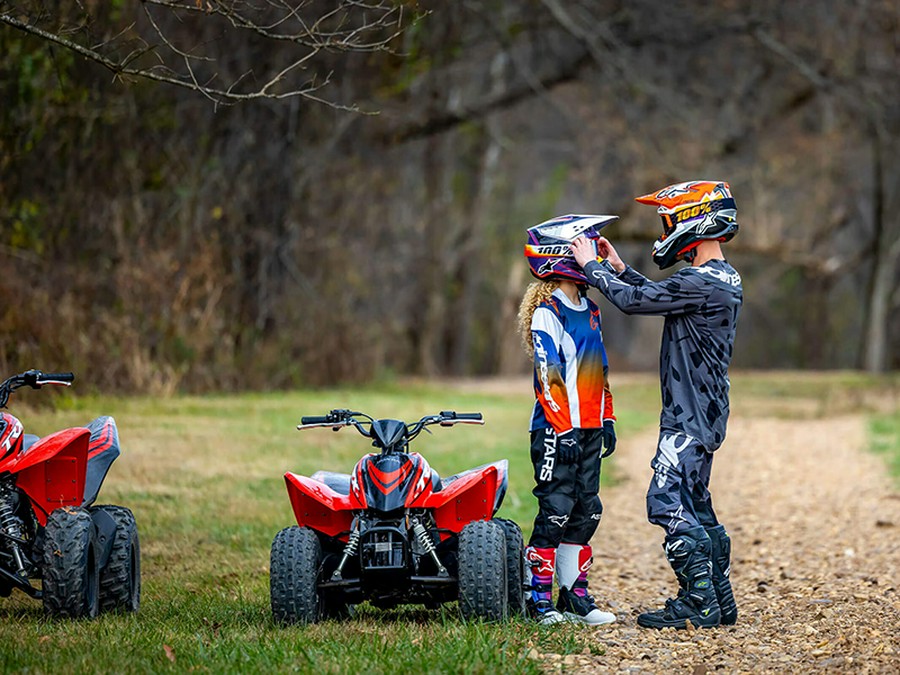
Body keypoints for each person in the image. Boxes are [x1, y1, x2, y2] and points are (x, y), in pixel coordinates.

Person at [570, 181, 741, 630]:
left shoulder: (700, 282)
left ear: (694, 222)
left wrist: (590, 267)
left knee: (665, 500)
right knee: (696, 502)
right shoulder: (719, 279)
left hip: (688, 414)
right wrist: (619, 267)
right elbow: (658, 296)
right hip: (704, 411)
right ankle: (720, 600)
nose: (666, 230)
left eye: (669, 221)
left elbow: (633, 303)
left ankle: (698, 602)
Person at [519, 214, 619, 626]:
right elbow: (549, 376)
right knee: (556, 509)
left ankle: (574, 597)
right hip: (556, 430)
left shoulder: (591, 310)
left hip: (590, 427)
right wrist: (563, 429)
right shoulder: (548, 311)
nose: (593, 250)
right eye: (585, 245)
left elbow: (600, 369)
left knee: (586, 510)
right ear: (562, 255)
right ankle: (537, 599)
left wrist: (607, 418)